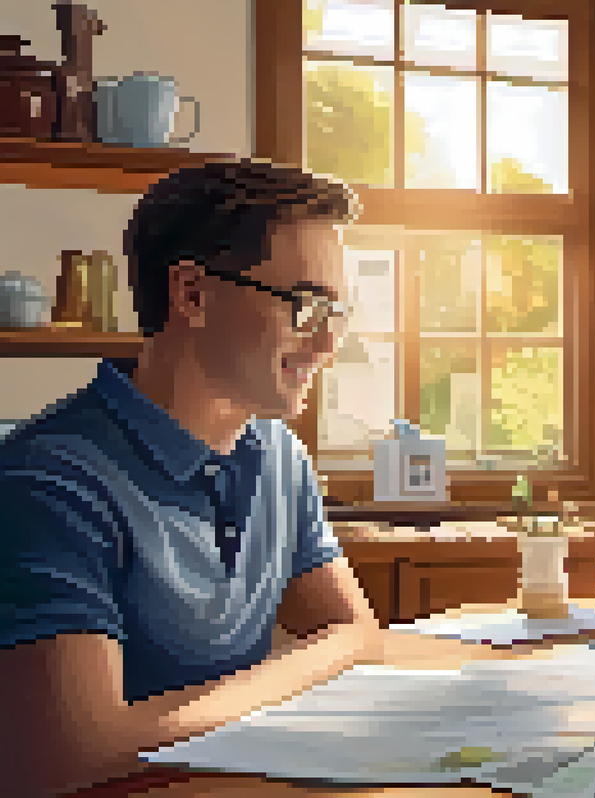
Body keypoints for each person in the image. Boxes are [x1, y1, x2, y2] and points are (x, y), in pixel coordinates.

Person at [0, 159, 381, 796]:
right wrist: (301, 668)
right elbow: (70, 755)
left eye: (336, 315)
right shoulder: (50, 481)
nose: (326, 345)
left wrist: (329, 652)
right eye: (306, 306)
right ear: (192, 294)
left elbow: (353, 632)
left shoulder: (279, 455)